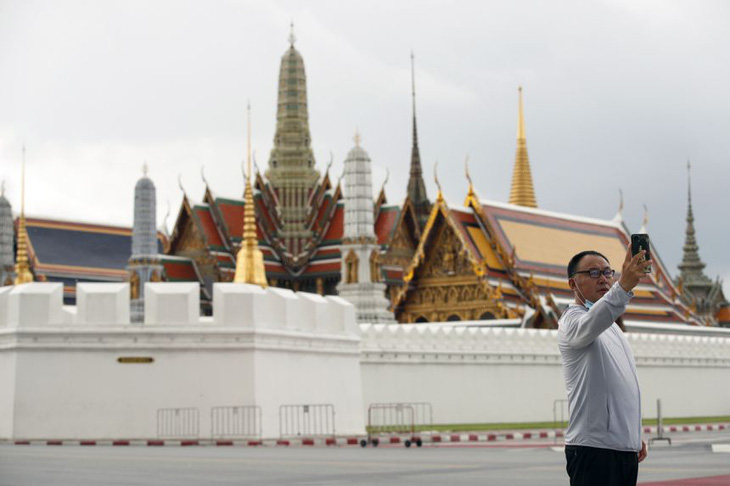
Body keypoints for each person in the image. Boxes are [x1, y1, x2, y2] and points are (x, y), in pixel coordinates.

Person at [558, 245, 651, 486]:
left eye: (608, 273)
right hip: (593, 449)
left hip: (622, 449)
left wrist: (633, 433)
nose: (603, 279)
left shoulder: (613, 329)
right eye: (593, 273)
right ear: (572, 284)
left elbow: (623, 387)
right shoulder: (572, 321)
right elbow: (594, 319)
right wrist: (624, 287)